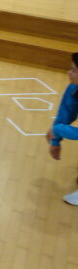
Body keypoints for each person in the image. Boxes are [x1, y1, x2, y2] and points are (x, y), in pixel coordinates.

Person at [48, 53, 78, 205]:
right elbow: (66, 113)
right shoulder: (74, 87)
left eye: (74, 70)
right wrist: (55, 141)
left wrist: (58, 130)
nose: (68, 72)